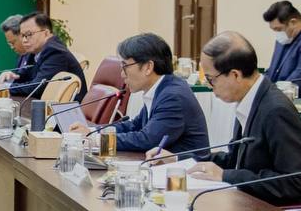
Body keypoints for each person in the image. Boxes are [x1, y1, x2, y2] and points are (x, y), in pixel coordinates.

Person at [189, 31, 301, 207]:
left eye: (211, 79)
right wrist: (185, 160)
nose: (209, 86)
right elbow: (235, 160)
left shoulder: (276, 111)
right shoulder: (250, 99)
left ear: (235, 75)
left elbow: (297, 182)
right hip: (247, 203)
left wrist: (227, 176)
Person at [68, 33, 208, 155]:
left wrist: (94, 139)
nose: (122, 74)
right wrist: (92, 131)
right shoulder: (162, 88)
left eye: (125, 66)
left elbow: (147, 140)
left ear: (148, 67)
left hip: (186, 172)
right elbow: (134, 126)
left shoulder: (173, 96)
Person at [0, 12, 85, 99]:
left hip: (68, 106)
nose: (24, 40)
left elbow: (37, 88)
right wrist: (12, 78)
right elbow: (26, 77)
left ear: (46, 33)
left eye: (29, 34)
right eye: (23, 36)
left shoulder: (55, 52)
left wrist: (5, 87)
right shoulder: (36, 51)